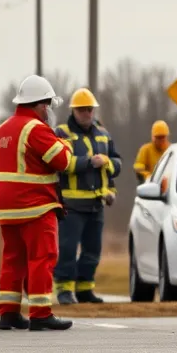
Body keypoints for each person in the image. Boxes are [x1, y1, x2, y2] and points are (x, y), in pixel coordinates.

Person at [0, 75, 75, 332]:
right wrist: (65, 144)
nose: (48, 110)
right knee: (42, 257)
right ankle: (40, 313)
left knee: (12, 259)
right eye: (47, 105)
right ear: (40, 105)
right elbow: (63, 161)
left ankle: (9, 313)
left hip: (6, 209)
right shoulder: (36, 129)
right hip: (36, 206)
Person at [53, 88, 122, 305]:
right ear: (74, 110)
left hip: (96, 204)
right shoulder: (62, 133)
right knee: (67, 249)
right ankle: (64, 290)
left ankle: (85, 290)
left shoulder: (103, 133)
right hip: (71, 205)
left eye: (89, 109)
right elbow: (60, 164)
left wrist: (111, 188)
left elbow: (116, 164)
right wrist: (88, 162)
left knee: (93, 251)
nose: (86, 113)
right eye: (82, 109)